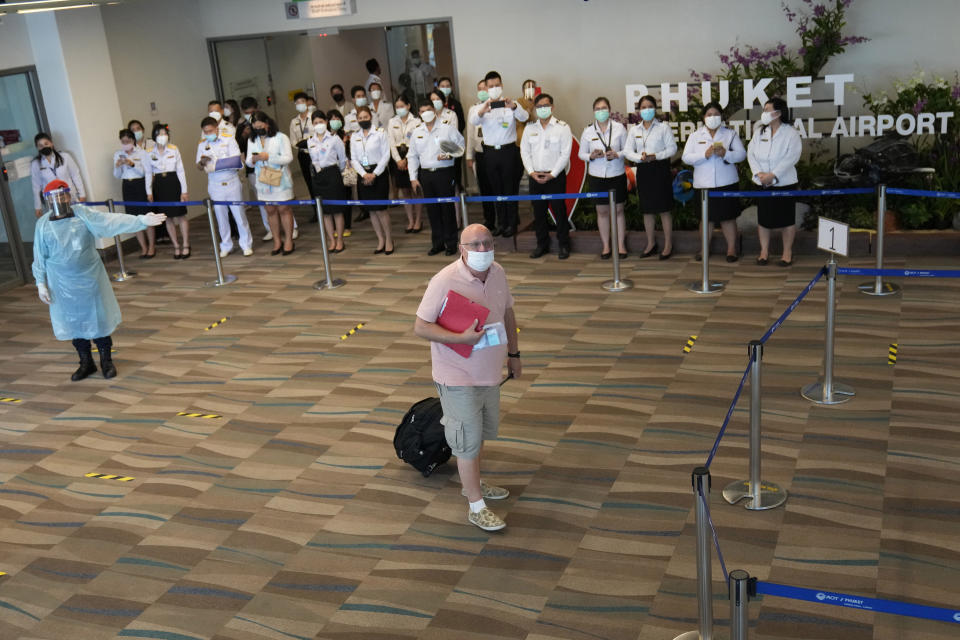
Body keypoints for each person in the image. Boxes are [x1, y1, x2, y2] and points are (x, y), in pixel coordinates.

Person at [413, 223, 521, 532]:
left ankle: (472, 482)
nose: (483, 250)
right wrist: (459, 338)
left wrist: (514, 355)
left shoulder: (498, 272)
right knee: (466, 438)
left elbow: (509, 314)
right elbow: (421, 326)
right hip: (455, 372)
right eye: (475, 245)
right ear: (462, 249)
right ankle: (476, 506)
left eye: (488, 243)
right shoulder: (443, 281)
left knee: (479, 432)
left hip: (490, 371)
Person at [33, 180, 166, 381]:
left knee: (98, 319)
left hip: (89, 278)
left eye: (62, 195)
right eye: (54, 197)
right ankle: (86, 362)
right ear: (47, 200)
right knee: (73, 322)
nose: (59, 200)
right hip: (61, 284)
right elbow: (39, 254)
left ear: (69, 196)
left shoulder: (82, 214)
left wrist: (140, 221)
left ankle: (106, 361)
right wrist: (40, 283)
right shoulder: (43, 224)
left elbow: (109, 221)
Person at [681, 101, 747, 262]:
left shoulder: (730, 134)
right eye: (709, 115)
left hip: (727, 182)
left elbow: (742, 155)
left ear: (721, 116)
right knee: (706, 219)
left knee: (728, 217)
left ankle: (731, 249)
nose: (713, 117)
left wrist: (726, 154)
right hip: (703, 185)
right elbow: (686, 157)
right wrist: (705, 155)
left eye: (716, 114)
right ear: (703, 117)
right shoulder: (695, 136)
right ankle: (704, 249)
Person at [469, 71, 529, 237]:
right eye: (491, 86)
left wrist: (514, 107)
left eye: (497, 85)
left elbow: (525, 116)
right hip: (490, 153)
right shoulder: (480, 107)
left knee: (510, 188)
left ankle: (512, 223)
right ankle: (501, 223)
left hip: (508, 151)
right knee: (496, 189)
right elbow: (473, 121)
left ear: (501, 86)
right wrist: (483, 110)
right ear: (486, 88)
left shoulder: (511, 103)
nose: (494, 89)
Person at [748, 96, 803, 266]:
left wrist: (773, 175)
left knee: (787, 219)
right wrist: (759, 174)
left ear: (778, 113)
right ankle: (764, 251)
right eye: (763, 110)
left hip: (784, 182)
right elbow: (751, 154)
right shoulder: (759, 132)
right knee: (763, 219)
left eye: (767, 110)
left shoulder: (791, 133)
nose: (764, 113)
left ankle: (787, 252)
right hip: (762, 183)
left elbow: (792, 157)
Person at [623, 95, 678, 260]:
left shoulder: (663, 128)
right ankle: (650, 243)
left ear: (655, 108)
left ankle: (668, 244)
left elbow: (672, 149)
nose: (646, 110)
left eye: (649, 106)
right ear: (639, 110)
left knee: (664, 209)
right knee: (647, 210)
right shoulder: (634, 130)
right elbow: (627, 151)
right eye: (643, 107)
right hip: (643, 170)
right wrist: (639, 157)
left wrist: (657, 156)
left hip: (660, 169)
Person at [520, 93, 573, 259]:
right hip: (535, 176)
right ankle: (542, 245)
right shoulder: (530, 128)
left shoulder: (562, 127)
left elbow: (565, 154)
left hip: (555, 177)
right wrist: (531, 172)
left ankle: (564, 244)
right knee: (539, 213)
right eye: (539, 107)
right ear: (535, 109)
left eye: (545, 105)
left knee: (559, 211)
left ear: (552, 107)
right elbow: (524, 152)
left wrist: (553, 174)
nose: (542, 109)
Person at [409, 99, 465, 256]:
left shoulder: (447, 129)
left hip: (444, 172)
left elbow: (461, 146)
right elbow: (412, 156)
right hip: (426, 174)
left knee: (447, 209)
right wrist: (413, 178)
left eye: (428, 109)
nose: (426, 113)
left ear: (434, 110)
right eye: (422, 111)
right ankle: (438, 243)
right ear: (418, 114)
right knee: (432, 210)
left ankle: (451, 242)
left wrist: (448, 154)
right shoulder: (417, 132)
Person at [578, 97, 628, 259]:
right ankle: (606, 246)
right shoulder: (588, 131)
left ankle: (621, 246)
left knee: (619, 210)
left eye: (604, 108)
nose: (601, 111)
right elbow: (581, 154)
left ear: (609, 109)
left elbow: (627, 150)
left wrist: (617, 154)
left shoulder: (619, 128)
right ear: (594, 112)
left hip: (616, 173)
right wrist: (591, 156)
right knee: (602, 211)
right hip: (597, 176)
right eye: (598, 109)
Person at [197, 116, 253, 258]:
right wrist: (203, 162)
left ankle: (246, 244)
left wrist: (215, 165)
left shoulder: (229, 139)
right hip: (215, 185)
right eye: (205, 132)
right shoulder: (202, 144)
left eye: (210, 130)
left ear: (216, 128)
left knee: (239, 215)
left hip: (231, 182)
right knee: (221, 217)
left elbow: (235, 161)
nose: (208, 134)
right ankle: (226, 245)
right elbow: (198, 166)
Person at [246, 111, 296, 255]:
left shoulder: (281, 137)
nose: (259, 130)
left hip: (280, 179)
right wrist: (254, 159)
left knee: (284, 209)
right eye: (255, 128)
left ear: (267, 123)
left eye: (261, 126)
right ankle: (276, 241)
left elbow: (288, 158)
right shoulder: (252, 140)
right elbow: (249, 161)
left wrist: (269, 157)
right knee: (270, 210)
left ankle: (288, 240)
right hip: (263, 180)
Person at [350, 106, 393, 254]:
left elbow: (386, 155)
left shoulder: (380, 133)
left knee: (381, 210)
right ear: (357, 120)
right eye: (360, 118)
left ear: (370, 117)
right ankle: (380, 239)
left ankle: (388, 239)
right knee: (371, 211)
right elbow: (354, 159)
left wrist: (374, 174)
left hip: (379, 173)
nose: (363, 120)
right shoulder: (354, 137)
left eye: (365, 117)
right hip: (363, 174)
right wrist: (363, 174)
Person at [148, 123, 191, 258]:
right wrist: (149, 191)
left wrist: (184, 190)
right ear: (154, 136)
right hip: (159, 185)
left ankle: (185, 244)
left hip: (173, 182)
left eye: (165, 134)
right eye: (160, 134)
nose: (163, 136)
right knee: (168, 218)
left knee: (180, 215)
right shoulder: (149, 152)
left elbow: (181, 170)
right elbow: (148, 174)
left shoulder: (174, 149)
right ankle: (176, 245)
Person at [307, 110, 347, 253]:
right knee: (325, 212)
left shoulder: (334, 138)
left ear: (326, 122)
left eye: (321, 122)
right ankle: (331, 240)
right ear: (312, 124)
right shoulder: (310, 141)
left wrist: (339, 172)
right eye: (316, 123)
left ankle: (340, 239)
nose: (319, 125)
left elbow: (343, 159)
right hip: (318, 177)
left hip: (332, 174)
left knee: (336, 210)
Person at [113, 128, 155, 258]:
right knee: (134, 218)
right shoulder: (118, 154)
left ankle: (152, 246)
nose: (126, 144)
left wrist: (132, 165)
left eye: (128, 141)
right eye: (123, 141)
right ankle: (143, 247)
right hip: (127, 185)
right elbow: (117, 175)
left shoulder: (142, 153)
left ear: (133, 140)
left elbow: (145, 172)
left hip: (139, 184)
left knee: (146, 216)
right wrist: (118, 166)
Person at [387, 95, 423, 233]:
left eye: (402, 106)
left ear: (408, 106)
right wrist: (398, 160)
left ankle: (418, 220)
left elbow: (417, 142)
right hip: (398, 158)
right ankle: (410, 220)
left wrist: (407, 159)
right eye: (397, 107)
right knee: (405, 191)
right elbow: (391, 142)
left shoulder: (417, 121)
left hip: (412, 156)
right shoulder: (392, 122)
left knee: (416, 190)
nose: (399, 109)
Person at [238, 96, 272, 241]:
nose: (249, 115)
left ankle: (292, 227)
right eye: (246, 112)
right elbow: (239, 148)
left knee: (279, 201)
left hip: (271, 167)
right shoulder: (241, 127)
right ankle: (269, 228)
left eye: (251, 112)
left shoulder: (267, 122)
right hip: (254, 170)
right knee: (262, 202)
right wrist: (244, 136)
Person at [465, 79, 497, 230]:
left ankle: (503, 219)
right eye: (479, 89)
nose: (482, 91)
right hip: (480, 153)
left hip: (494, 152)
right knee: (484, 188)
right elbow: (470, 135)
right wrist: (469, 156)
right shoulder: (473, 109)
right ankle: (489, 219)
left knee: (497, 187)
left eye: (484, 88)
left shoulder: (497, 106)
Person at [31, 133, 85, 218]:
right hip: (52, 202)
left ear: (51, 144)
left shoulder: (65, 157)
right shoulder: (36, 164)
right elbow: (36, 187)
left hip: (71, 197)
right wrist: (38, 207)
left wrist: (82, 194)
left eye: (46, 143)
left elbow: (75, 175)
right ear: (37, 148)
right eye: (40, 145)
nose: (44, 147)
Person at [328, 110, 354, 239]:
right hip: (332, 172)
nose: (335, 121)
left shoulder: (346, 135)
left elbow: (349, 153)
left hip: (345, 171)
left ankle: (347, 226)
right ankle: (336, 227)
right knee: (334, 200)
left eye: (337, 118)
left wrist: (344, 143)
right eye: (332, 118)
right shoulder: (326, 136)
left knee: (346, 199)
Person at [290, 91, 316, 200]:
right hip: (303, 155)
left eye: (302, 101)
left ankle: (326, 210)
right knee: (309, 183)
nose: (300, 104)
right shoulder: (294, 121)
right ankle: (316, 211)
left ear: (307, 103)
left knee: (319, 181)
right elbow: (293, 141)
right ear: (295, 105)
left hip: (316, 153)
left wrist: (309, 143)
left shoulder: (314, 117)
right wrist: (300, 145)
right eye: (297, 102)